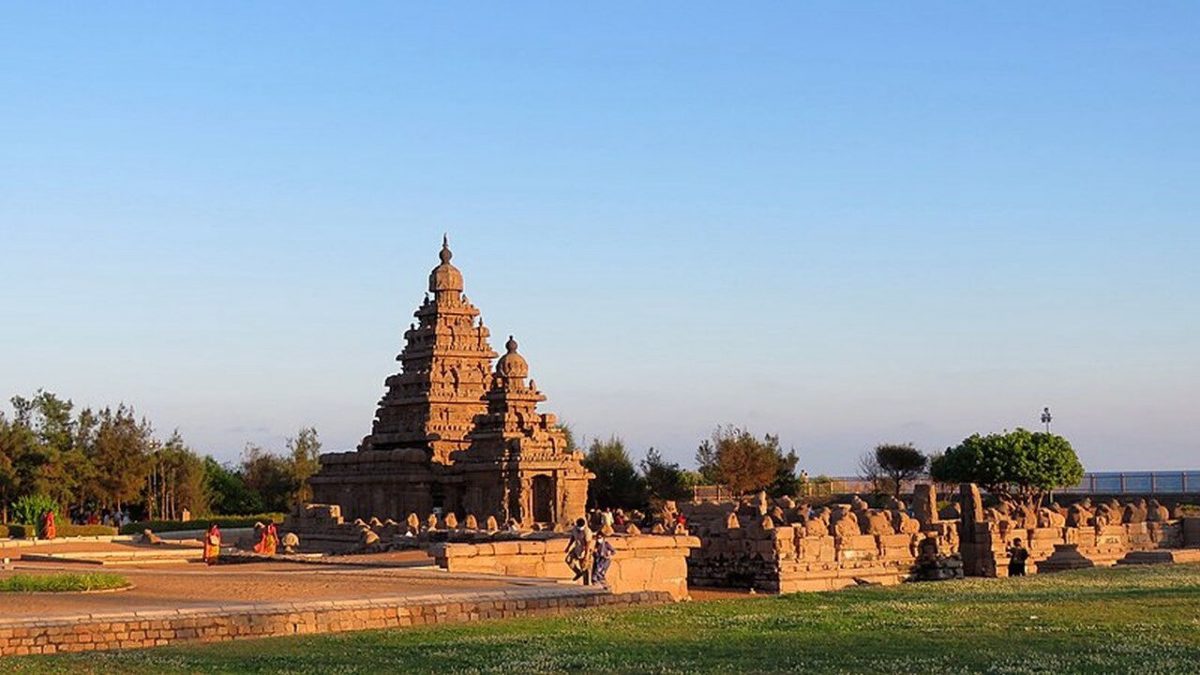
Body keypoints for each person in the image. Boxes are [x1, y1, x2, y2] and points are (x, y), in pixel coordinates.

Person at [564, 517, 594, 585]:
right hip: (577, 548)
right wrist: (568, 547)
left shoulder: (587, 531)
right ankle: (578, 572)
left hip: (584, 550)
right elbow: (573, 538)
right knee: (568, 560)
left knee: (584, 567)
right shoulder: (575, 529)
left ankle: (586, 583)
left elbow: (588, 544)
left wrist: (586, 556)